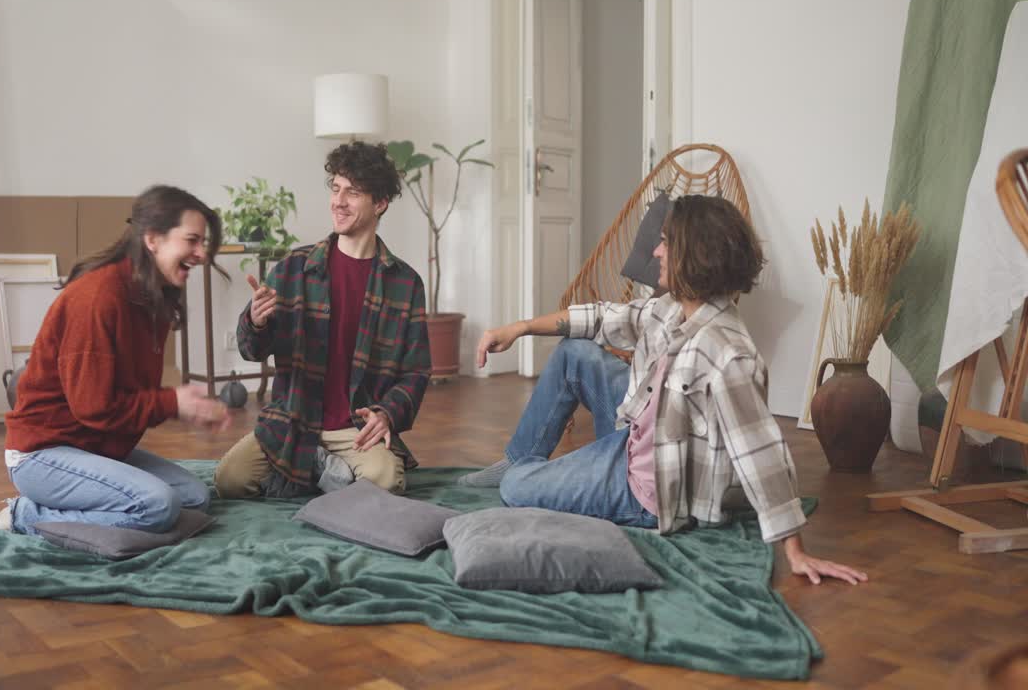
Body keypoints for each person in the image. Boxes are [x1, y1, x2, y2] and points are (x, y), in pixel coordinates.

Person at [463, 195, 867, 586]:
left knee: (516, 487)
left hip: (649, 486)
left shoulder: (728, 355)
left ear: (696, 254)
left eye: (666, 242)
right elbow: (605, 316)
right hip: (638, 432)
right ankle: (520, 457)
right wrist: (519, 328)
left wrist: (794, 550)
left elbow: (760, 453)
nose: (656, 251)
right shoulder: (671, 308)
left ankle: (525, 472)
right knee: (575, 353)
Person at [0, 185, 232, 535]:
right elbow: (94, 408)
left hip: (94, 449)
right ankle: (25, 514)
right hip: (42, 455)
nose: (200, 254)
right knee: (158, 506)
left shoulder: (151, 296)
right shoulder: (97, 298)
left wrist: (181, 404)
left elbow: (127, 393)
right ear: (153, 239)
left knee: (194, 498)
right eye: (192, 240)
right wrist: (173, 402)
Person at [214, 141, 431, 498]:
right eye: (336, 189)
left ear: (380, 203)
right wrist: (255, 320)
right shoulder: (294, 268)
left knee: (387, 480)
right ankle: (325, 472)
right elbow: (251, 350)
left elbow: (416, 372)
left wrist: (387, 415)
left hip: (356, 428)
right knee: (229, 480)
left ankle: (308, 472)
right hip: (294, 419)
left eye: (353, 192)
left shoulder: (405, 283)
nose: (338, 201)